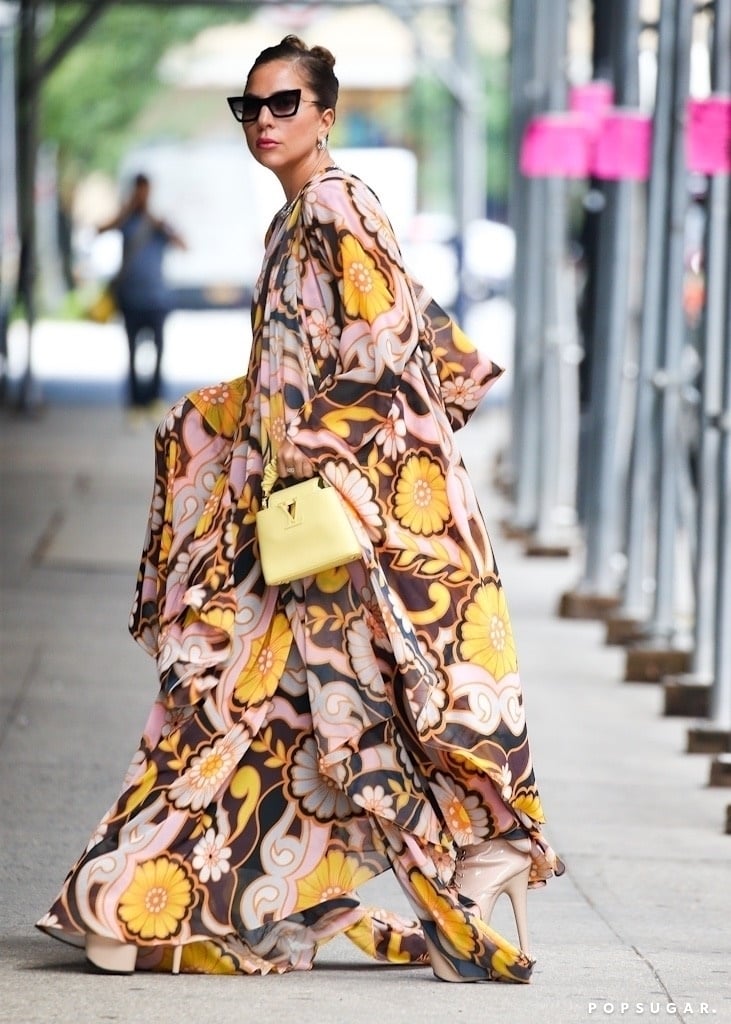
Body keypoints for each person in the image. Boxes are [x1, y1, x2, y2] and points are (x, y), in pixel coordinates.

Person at [37, 36, 563, 983]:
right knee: (296, 714)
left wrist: (297, 450)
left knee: (252, 698)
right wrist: (226, 419)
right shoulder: (301, 217)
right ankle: (174, 891)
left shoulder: (331, 204)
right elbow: (355, 352)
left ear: (326, 112)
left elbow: (387, 351)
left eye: (285, 104)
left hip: (328, 518)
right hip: (297, 518)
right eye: (251, 108)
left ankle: (141, 895)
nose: (266, 122)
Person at [98, 173, 185, 411]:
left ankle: (154, 396)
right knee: (132, 351)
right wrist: (126, 212)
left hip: (157, 298)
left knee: (158, 350)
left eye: (144, 190)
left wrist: (156, 222)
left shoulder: (157, 223)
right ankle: (136, 400)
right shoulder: (126, 220)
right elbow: (100, 229)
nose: (141, 195)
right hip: (130, 298)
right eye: (138, 190)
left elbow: (182, 244)